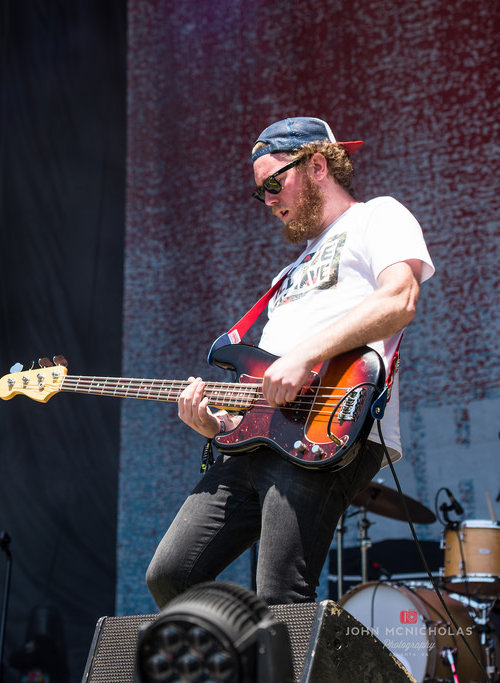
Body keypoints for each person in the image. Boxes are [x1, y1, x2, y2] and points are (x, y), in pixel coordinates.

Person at [145, 117, 435, 607]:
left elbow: (399, 299)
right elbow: (268, 383)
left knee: (281, 591)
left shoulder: (378, 216)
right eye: (262, 194)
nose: (270, 201)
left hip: (331, 423)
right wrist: (217, 424)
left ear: (318, 164)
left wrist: (307, 353)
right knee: (172, 575)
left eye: (275, 183)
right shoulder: (290, 271)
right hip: (264, 438)